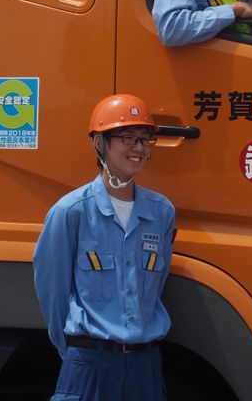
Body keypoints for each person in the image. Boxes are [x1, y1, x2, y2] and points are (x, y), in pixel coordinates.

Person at [34, 94, 175, 401]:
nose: (139, 148)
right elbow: (52, 290)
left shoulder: (161, 213)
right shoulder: (70, 211)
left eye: (144, 139)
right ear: (99, 143)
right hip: (89, 364)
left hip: (144, 367)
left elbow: (156, 286)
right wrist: (75, 351)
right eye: (128, 138)